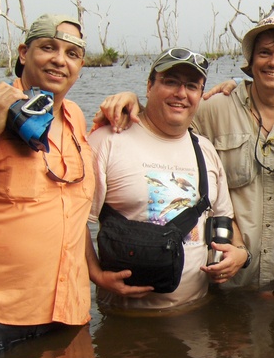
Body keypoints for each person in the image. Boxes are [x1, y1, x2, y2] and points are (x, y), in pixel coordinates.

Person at [96, 16, 274, 288]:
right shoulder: (213, 107)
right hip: (219, 277)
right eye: (264, 53)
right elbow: (164, 123)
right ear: (251, 61)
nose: (273, 62)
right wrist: (132, 103)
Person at [0, 14, 95, 353]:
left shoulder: (75, 117)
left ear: (80, 65)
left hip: (67, 312)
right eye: (48, 48)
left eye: (72, 54)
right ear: (23, 53)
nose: (60, 59)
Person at [86, 48, 248, 312]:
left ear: (199, 95)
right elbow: (72, 221)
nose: (181, 94)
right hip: (125, 317)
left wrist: (239, 251)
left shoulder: (205, 149)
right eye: (170, 81)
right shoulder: (107, 140)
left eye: (191, 86)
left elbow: (223, 217)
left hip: (195, 311)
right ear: (149, 86)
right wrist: (95, 274)